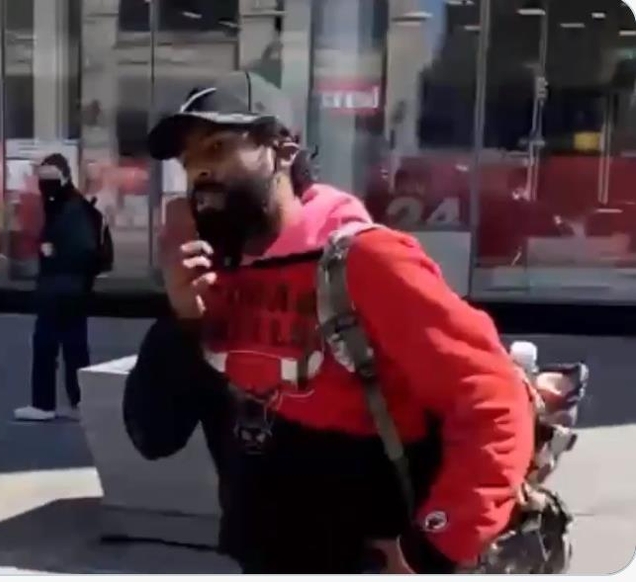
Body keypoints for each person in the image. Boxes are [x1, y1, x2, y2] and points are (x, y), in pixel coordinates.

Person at [122, 71, 541, 573]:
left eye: (217, 148)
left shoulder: (365, 260)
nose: (201, 172)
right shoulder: (212, 277)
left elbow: (492, 399)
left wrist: (434, 547)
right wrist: (182, 320)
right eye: (189, 162)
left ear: (282, 149)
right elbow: (154, 435)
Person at [14, 154, 98, 422]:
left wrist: (52, 251)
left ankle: (44, 404)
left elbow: (82, 249)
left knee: (47, 345)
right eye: (42, 178)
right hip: (70, 288)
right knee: (73, 347)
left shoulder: (70, 207)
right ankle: (78, 402)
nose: (45, 184)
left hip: (61, 288)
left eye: (51, 178)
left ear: (64, 177)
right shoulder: (64, 204)